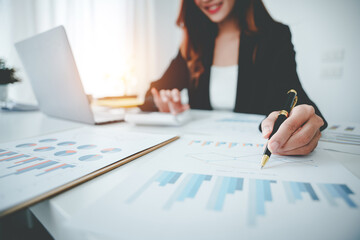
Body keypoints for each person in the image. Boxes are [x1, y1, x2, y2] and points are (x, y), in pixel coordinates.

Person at [140, 0, 327, 156]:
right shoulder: (195, 43)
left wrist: (301, 117)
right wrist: (162, 101)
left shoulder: (274, 36)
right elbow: (150, 95)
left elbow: (294, 96)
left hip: (250, 152)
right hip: (200, 152)